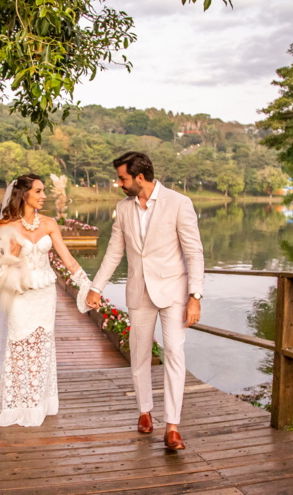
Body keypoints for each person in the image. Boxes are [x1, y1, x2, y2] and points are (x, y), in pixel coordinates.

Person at [85, 151, 204, 451]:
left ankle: (173, 427)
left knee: (174, 353)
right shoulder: (123, 208)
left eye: (123, 178)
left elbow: (194, 253)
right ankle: (144, 411)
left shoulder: (179, 203)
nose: (119, 184)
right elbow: (114, 252)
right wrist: (96, 287)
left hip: (174, 293)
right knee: (138, 354)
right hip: (139, 291)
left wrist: (195, 296)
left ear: (140, 178)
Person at [0, 174, 88, 427]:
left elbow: (67, 259)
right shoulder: (5, 226)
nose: (44, 195)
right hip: (20, 294)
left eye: (43, 191)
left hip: (44, 293)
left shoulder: (50, 224)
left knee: (41, 344)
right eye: (39, 191)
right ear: (24, 194)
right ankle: (17, 402)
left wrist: (87, 285)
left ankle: (39, 401)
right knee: (19, 344)